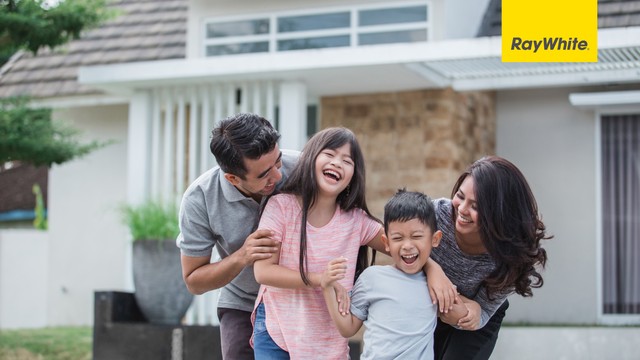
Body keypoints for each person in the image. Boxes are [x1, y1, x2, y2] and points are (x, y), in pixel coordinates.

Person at [251, 127, 387, 359]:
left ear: (353, 175)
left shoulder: (356, 221)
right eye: (330, 154)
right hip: (277, 328)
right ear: (311, 157)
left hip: (327, 339)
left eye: (347, 160)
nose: (337, 163)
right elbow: (263, 271)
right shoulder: (281, 207)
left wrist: (434, 270)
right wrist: (319, 279)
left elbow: (403, 245)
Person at [177, 113, 299, 360]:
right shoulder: (200, 199)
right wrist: (242, 256)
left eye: (277, 162)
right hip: (243, 303)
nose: (277, 176)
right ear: (232, 178)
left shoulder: (302, 167)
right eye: (264, 174)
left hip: (302, 297)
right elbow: (194, 281)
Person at [426, 155, 551, 360]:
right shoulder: (433, 216)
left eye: (475, 206)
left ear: (500, 213)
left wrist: (474, 311)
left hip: (479, 312)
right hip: (429, 304)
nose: (462, 209)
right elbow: (402, 253)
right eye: (460, 195)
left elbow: (480, 311)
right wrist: (432, 269)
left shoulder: (512, 257)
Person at [321, 189, 443, 360]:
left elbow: (457, 314)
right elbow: (347, 328)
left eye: (416, 236)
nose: (407, 245)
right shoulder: (371, 278)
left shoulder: (435, 285)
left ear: (435, 239)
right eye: (398, 238)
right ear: (386, 242)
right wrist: (326, 287)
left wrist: (475, 309)